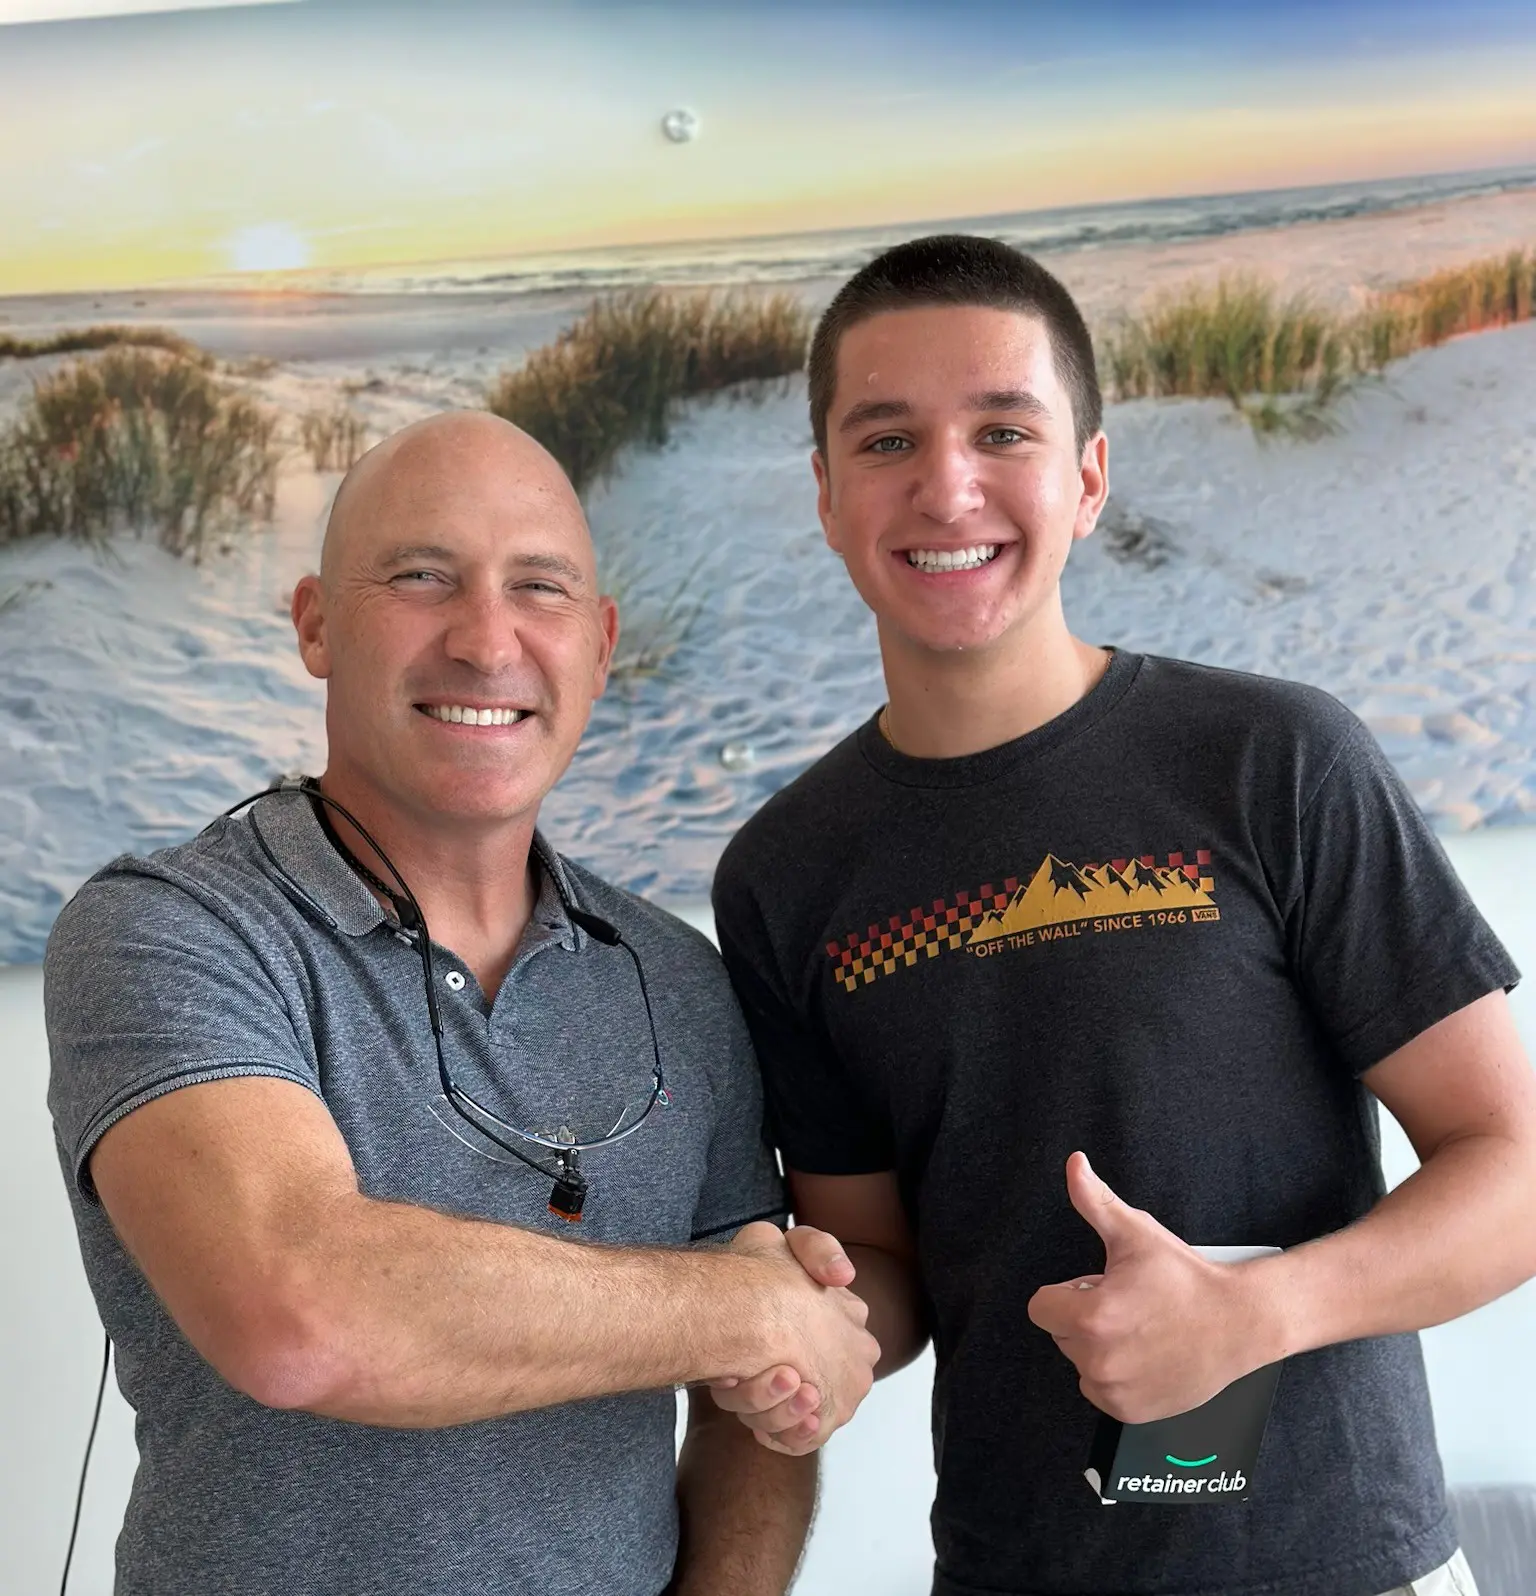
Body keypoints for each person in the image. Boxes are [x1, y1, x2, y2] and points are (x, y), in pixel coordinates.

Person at [709, 235, 1536, 1596]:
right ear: (825, 492)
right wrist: (810, 1325)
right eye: (886, 439)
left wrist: (1254, 1317)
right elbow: (887, 1257)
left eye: (1003, 430)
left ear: (1087, 476)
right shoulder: (788, 873)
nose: (947, 484)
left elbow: (1505, 1159)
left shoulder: (1274, 760)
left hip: (1344, 1565)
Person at [44, 411, 878, 1596]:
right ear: (317, 623)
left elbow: (759, 1410)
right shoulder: (169, 929)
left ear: (599, 645)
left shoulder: (678, 980)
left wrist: (761, 1326)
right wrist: (746, 1310)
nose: (488, 642)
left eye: (537, 588)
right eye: (423, 576)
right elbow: (300, 1307)